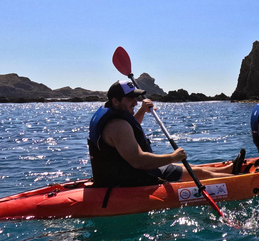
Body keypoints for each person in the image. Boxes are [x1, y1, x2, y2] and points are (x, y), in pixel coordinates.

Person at [88, 80, 232, 187]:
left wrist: (143, 111)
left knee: (192, 167)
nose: (135, 102)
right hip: (134, 178)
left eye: (136, 98)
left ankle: (229, 170)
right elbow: (138, 161)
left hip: (127, 173)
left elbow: (130, 130)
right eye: (130, 99)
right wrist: (172, 157)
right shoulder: (117, 126)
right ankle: (239, 179)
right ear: (116, 101)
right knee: (199, 174)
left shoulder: (116, 116)